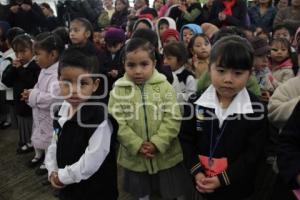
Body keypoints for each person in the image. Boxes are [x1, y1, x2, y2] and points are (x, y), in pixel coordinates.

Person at [180, 35, 268, 200]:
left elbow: (253, 153)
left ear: (249, 75)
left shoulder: (257, 110)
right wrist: (197, 171)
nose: (228, 79)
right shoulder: (195, 103)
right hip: (201, 183)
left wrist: (223, 179)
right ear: (209, 69)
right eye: (221, 71)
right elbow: (186, 139)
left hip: (237, 188)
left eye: (238, 73)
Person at [108, 38, 188, 200]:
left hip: (166, 154)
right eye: (131, 65)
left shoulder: (165, 87)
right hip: (135, 156)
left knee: (170, 190)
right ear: (124, 63)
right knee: (140, 192)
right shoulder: (118, 90)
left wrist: (158, 142)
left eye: (144, 64)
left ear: (154, 63)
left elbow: (173, 117)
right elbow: (117, 122)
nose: (137, 71)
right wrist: (136, 145)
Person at [45, 47, 118, 200]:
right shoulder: (61, 110)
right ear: (58, 80)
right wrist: (52, 169)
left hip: (95, 190)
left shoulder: (98, 119)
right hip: (69, 187)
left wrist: (62, 176)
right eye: (67, 82)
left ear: (95, 84)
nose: (74, 90)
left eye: (83, 83)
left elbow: (92, 160)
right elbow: (54, 143)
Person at [22, 32, 64, 175]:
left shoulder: (58, 74)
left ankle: (51, 166)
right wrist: (30, 92)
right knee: (43, 138)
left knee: (51, 142)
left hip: (51, 116)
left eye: (38, 54)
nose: (35, 58)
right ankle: (42, 158)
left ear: (52, 54)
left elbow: (53, 98)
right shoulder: (45, 69)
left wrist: (33, 95)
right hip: (41, 113)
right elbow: (39, 87)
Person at [1, 34, 40, 153]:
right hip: (20, 103)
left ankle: (35, 146)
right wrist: (13, 68)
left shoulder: (36, 65)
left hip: (32, 105)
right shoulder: (16, 64)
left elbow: (33, 82)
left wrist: (20, 69)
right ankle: (27, 142)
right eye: (17, 52)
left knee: (33, 126)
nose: (20, 56)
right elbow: (6, 81)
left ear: (33, 49)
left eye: (23, 51)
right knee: (23, 125)